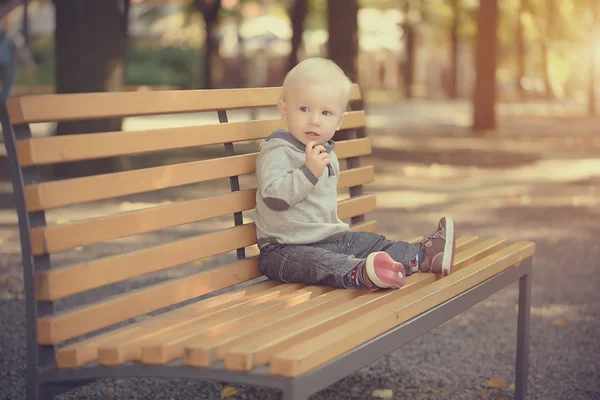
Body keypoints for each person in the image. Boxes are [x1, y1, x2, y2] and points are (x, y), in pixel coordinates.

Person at [254, 57, 455, 289]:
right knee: (320, 263)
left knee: (371, 243)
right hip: (284, 250)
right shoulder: (278, 150)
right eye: (304, 109)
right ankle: (360, 272)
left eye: (326, 113)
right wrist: (308, 172)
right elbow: (274, 197)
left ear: (339, 121)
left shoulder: (326, 152)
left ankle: (422, 256)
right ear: (284, 110)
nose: (314, 120)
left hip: (330, 240)